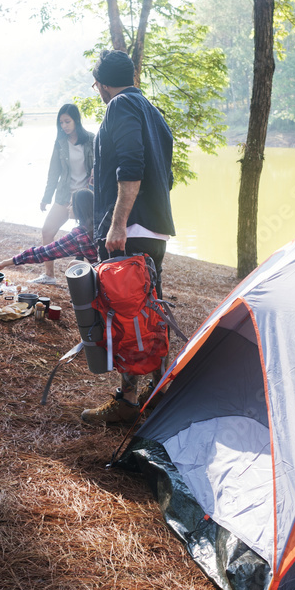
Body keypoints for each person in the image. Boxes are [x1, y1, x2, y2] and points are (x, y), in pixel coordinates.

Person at [81, 49, 176, 426]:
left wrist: (118, 223)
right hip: (154, 227)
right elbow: (163, 176)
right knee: (150, 309)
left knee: (128, 314)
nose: (97, 89)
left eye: (96, 83)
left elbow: (131, 168)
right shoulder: (152, 111)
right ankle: (160, 391)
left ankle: (127, 399)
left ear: (103, 83)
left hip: (131, 229)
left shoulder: (119, 105)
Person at [32, 103, 95, 285]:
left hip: (86, 198)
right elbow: (54, 172)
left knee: (87, 239)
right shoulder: (60, 144)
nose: (64, 126)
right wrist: (46, 198)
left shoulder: (92, 139)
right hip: (64, 196)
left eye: (67, 121)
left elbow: (102, 166)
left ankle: (88, 279)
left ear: (76, 120)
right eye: (61, 123)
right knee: (47, 231)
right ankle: (49, 275)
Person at [0, 189, 97, 274]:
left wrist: (4, 263)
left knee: (74, 266)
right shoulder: (101, 226)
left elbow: (42, 253)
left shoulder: (79, 235)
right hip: (111, 274)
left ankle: (87, 305)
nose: (68, 208)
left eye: (72, 204)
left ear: (81, 208)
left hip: (105, 280)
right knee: (79, 264)